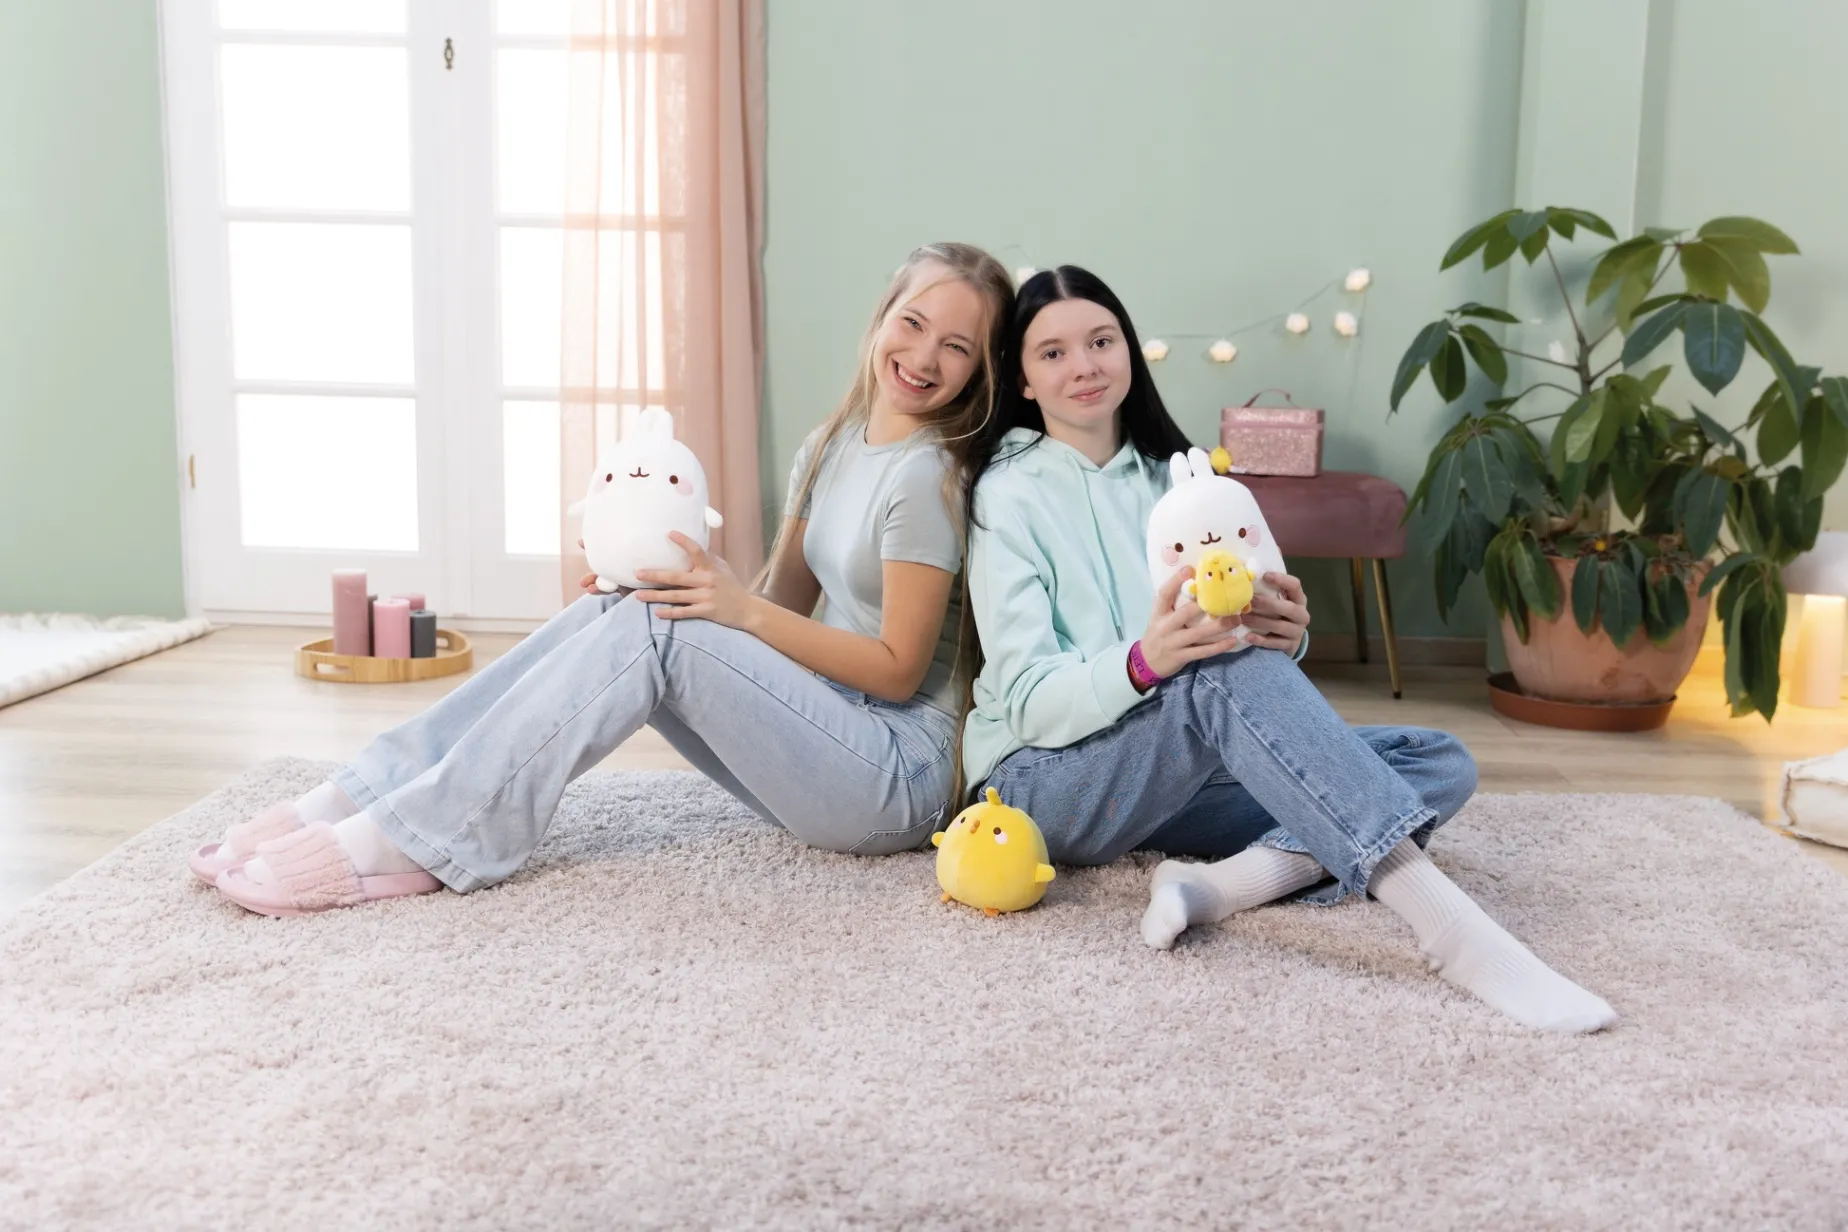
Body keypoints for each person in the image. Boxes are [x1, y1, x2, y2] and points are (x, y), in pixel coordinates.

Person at [192, 242, 1015, 916]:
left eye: (957, 347)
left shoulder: (926, 477)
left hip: (894, 779)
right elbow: (778, 612)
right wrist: (705, 587)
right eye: (913, 324)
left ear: (980, 370)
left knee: (657, 624)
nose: (924, 357)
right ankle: (366, 791)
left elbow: (897, 669)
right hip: (827, 736)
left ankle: (424, 833)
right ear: (882, 319)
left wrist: (735, 613)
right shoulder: (831, 444)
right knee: (639, 597)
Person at [961, 265, 1615, 1033]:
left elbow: (1241, 663)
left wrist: (1288, 633)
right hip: (1041, 786)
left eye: (1101, 341)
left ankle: (1217, 888)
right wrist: (1146, 662)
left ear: (1128, 351)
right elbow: (1029, 700)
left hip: (1169, 773)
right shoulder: (1007, 494)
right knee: (1218, 682)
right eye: (1053, 353)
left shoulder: (1182, 483)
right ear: (1023, 380)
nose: (1084, 366)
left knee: (1435, 761)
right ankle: (1453, 931)